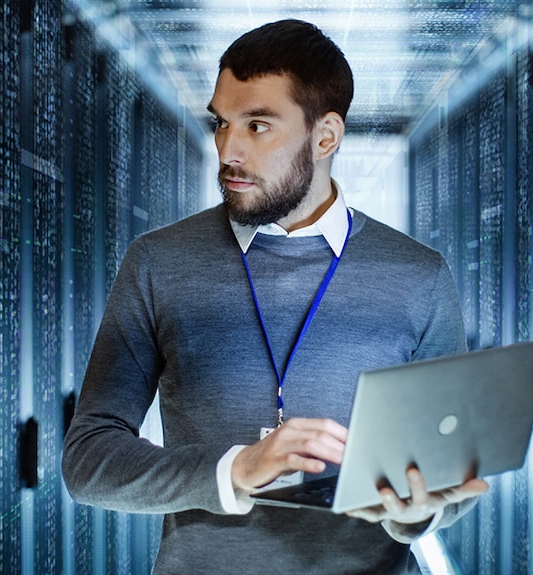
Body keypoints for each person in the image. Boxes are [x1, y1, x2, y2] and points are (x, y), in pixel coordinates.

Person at [62, 18, 489, 574]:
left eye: (258, 126)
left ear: (326, 136)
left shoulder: (419, 275)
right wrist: (233, 471)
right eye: (222, 123)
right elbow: (89, 459)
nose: (229, 151)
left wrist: (417, 512)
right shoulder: (158, 262)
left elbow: (450, 467)